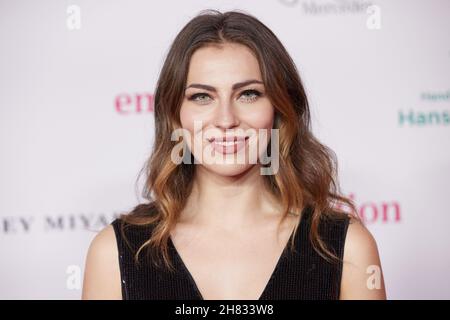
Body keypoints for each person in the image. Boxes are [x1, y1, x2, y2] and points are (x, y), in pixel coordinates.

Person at [82, 9, 386, 300]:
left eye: (248, 94)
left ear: (279, 110)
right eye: (202, 96)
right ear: (176, 116)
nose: (226, 119)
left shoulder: (346, 249)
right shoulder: (116, 254)